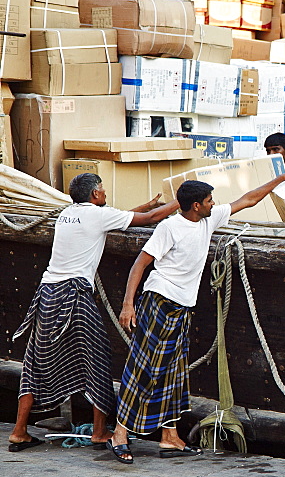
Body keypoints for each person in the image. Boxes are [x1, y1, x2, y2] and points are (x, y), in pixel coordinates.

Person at [106, 167, 285, 464]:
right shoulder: (169, 227)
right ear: (196, 205)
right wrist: (127, 304)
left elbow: (248, 200)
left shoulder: (207, 220)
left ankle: (170, 436)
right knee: (143, 369)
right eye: (210, 200)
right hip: (159, 301)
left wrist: (281, 179)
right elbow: (140, 264)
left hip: (182, 306)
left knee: (174, 372)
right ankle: (119, 434)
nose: (214, 204)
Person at [8, 174, 178, 452]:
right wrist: (179, 201)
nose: (105, 192)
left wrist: (143, 206)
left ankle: (19, 431)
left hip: (47, 293)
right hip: (74, 293)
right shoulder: (97, 216)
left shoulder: (67, 213)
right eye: (103, 189)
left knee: (35, 362)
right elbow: (149, 220)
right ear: (96, 194)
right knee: (97, 357)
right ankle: (99, 431)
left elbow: (117, 217)